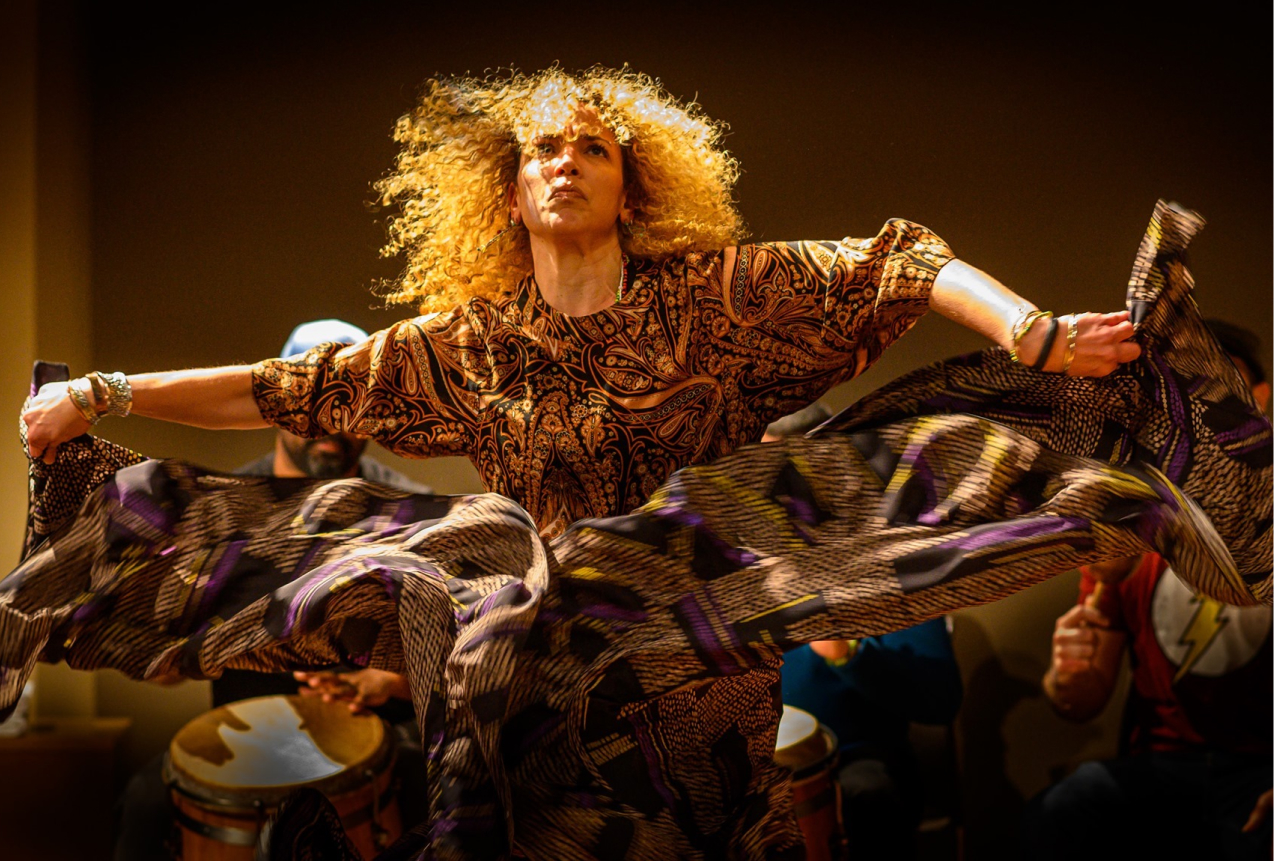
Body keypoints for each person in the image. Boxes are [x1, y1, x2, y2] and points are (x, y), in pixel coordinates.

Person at [8, 69, 1267, 859]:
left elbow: (897, 262)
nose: (563, 160)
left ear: (631, 179)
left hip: (701, 649)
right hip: (552, 656)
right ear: (506, 195)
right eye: (539, 151)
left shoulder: (717, 298)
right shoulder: (466, 349)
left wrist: (1032, 333)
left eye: (592, 147)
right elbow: (286, 388)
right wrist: (105, 393)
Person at [112, 320, 430, 861]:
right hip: (247, 734)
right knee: (144, 802)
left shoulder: (413, 513)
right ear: (277, 407)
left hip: (375, 737)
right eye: (313, 402)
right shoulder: (218, 513)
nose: (331, 421)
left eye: (349, 403)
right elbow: (157, 658)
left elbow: (459, 656)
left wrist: (388, 681)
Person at [1021, 322, 1272, 861]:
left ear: (1261, 402)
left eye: (1223, 396)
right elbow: (1083, 702)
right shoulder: (1128, 523)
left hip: (1261, 766)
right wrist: (1066, 677)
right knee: (1057, 813)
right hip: (1161, 763)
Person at [770, 405, 963, 860]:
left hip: (857, 763)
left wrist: (848, 653)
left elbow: (941, 698)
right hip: (759, 768)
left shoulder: (891, 562)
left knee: (866, 794)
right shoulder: (734, 564)